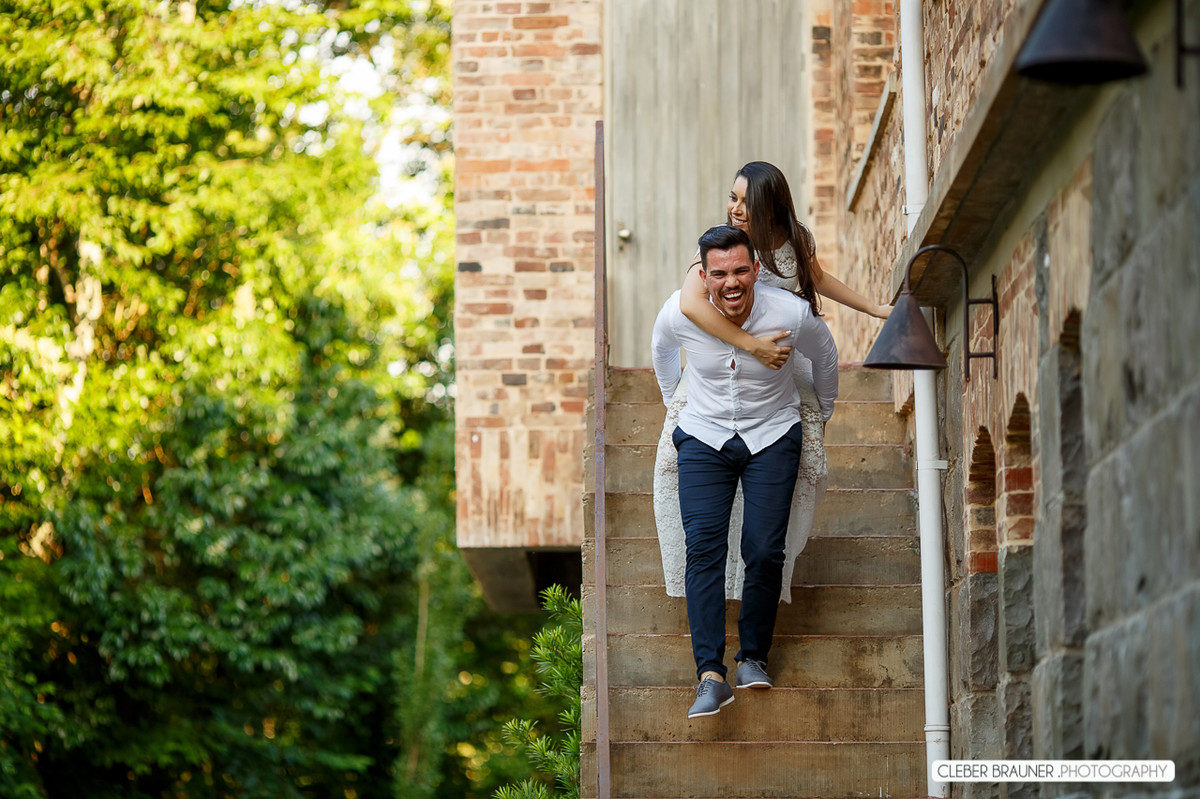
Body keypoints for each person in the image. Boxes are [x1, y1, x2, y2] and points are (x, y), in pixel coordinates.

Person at [654, 161, 888, 609]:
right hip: (721, 362)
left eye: (745, 201)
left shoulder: (796, 238)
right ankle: (710, 580)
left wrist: (874, 308)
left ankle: (769, 573)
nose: (735, 209)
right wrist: (750, 345)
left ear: (771, 205)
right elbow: (688, 302)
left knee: (804, 462)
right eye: (732, 197)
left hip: (781, 362)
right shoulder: (729, 250)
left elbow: (816, 280)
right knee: (679, 458)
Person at [651, 224, 838, 719]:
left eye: (739, 271)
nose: (730, 283)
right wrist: (677, 404)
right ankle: (710, 675)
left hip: (772, 435)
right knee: (704, 549)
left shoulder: (791, 314)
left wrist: (823, 411)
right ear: (704, 275)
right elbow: (662, 352)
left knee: (762, 548)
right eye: (719, 274)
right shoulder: (679, 311)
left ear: (756, 269)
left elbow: (825, 355)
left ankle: (753, 656)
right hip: (703, 438)